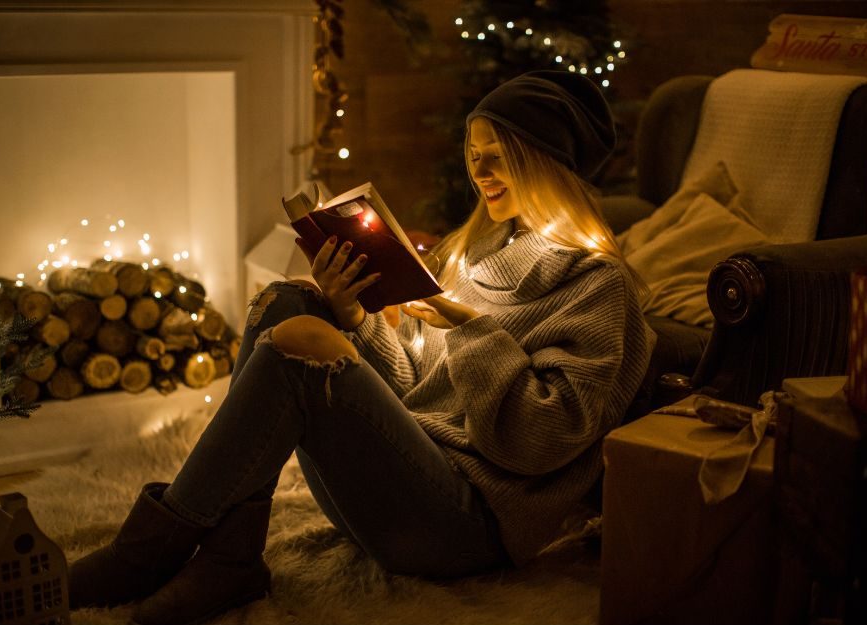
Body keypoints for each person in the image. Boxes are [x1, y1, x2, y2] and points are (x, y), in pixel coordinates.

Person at [68, 71, 655, 625]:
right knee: (288, 302)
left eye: (498, 155)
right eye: (473, 154)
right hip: (399, 478)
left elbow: (539, 442)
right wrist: (353, 317)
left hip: (465, 525)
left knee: (299, 346)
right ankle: (228, 559)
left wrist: (472, 329)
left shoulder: (599, 287)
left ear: (547, 162)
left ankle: (148, 551)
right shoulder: (472, 253)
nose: (479, 171)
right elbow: (413, 386)